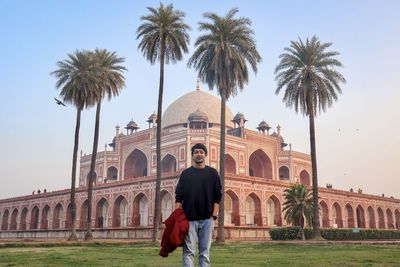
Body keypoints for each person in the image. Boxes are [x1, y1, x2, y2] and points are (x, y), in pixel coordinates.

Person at [175, 143, 222, 267]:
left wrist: (214, 215)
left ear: (205, 155)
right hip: (189, 219)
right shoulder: (186, 174)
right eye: (196, 152)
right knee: (188, 251)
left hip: (207, 219)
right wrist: (177, 216)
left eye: (201, 152)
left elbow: (218, 195)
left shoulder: (212, 173)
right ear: (192, 155)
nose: (199, 154)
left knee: (204, 253)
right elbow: (179, 195)